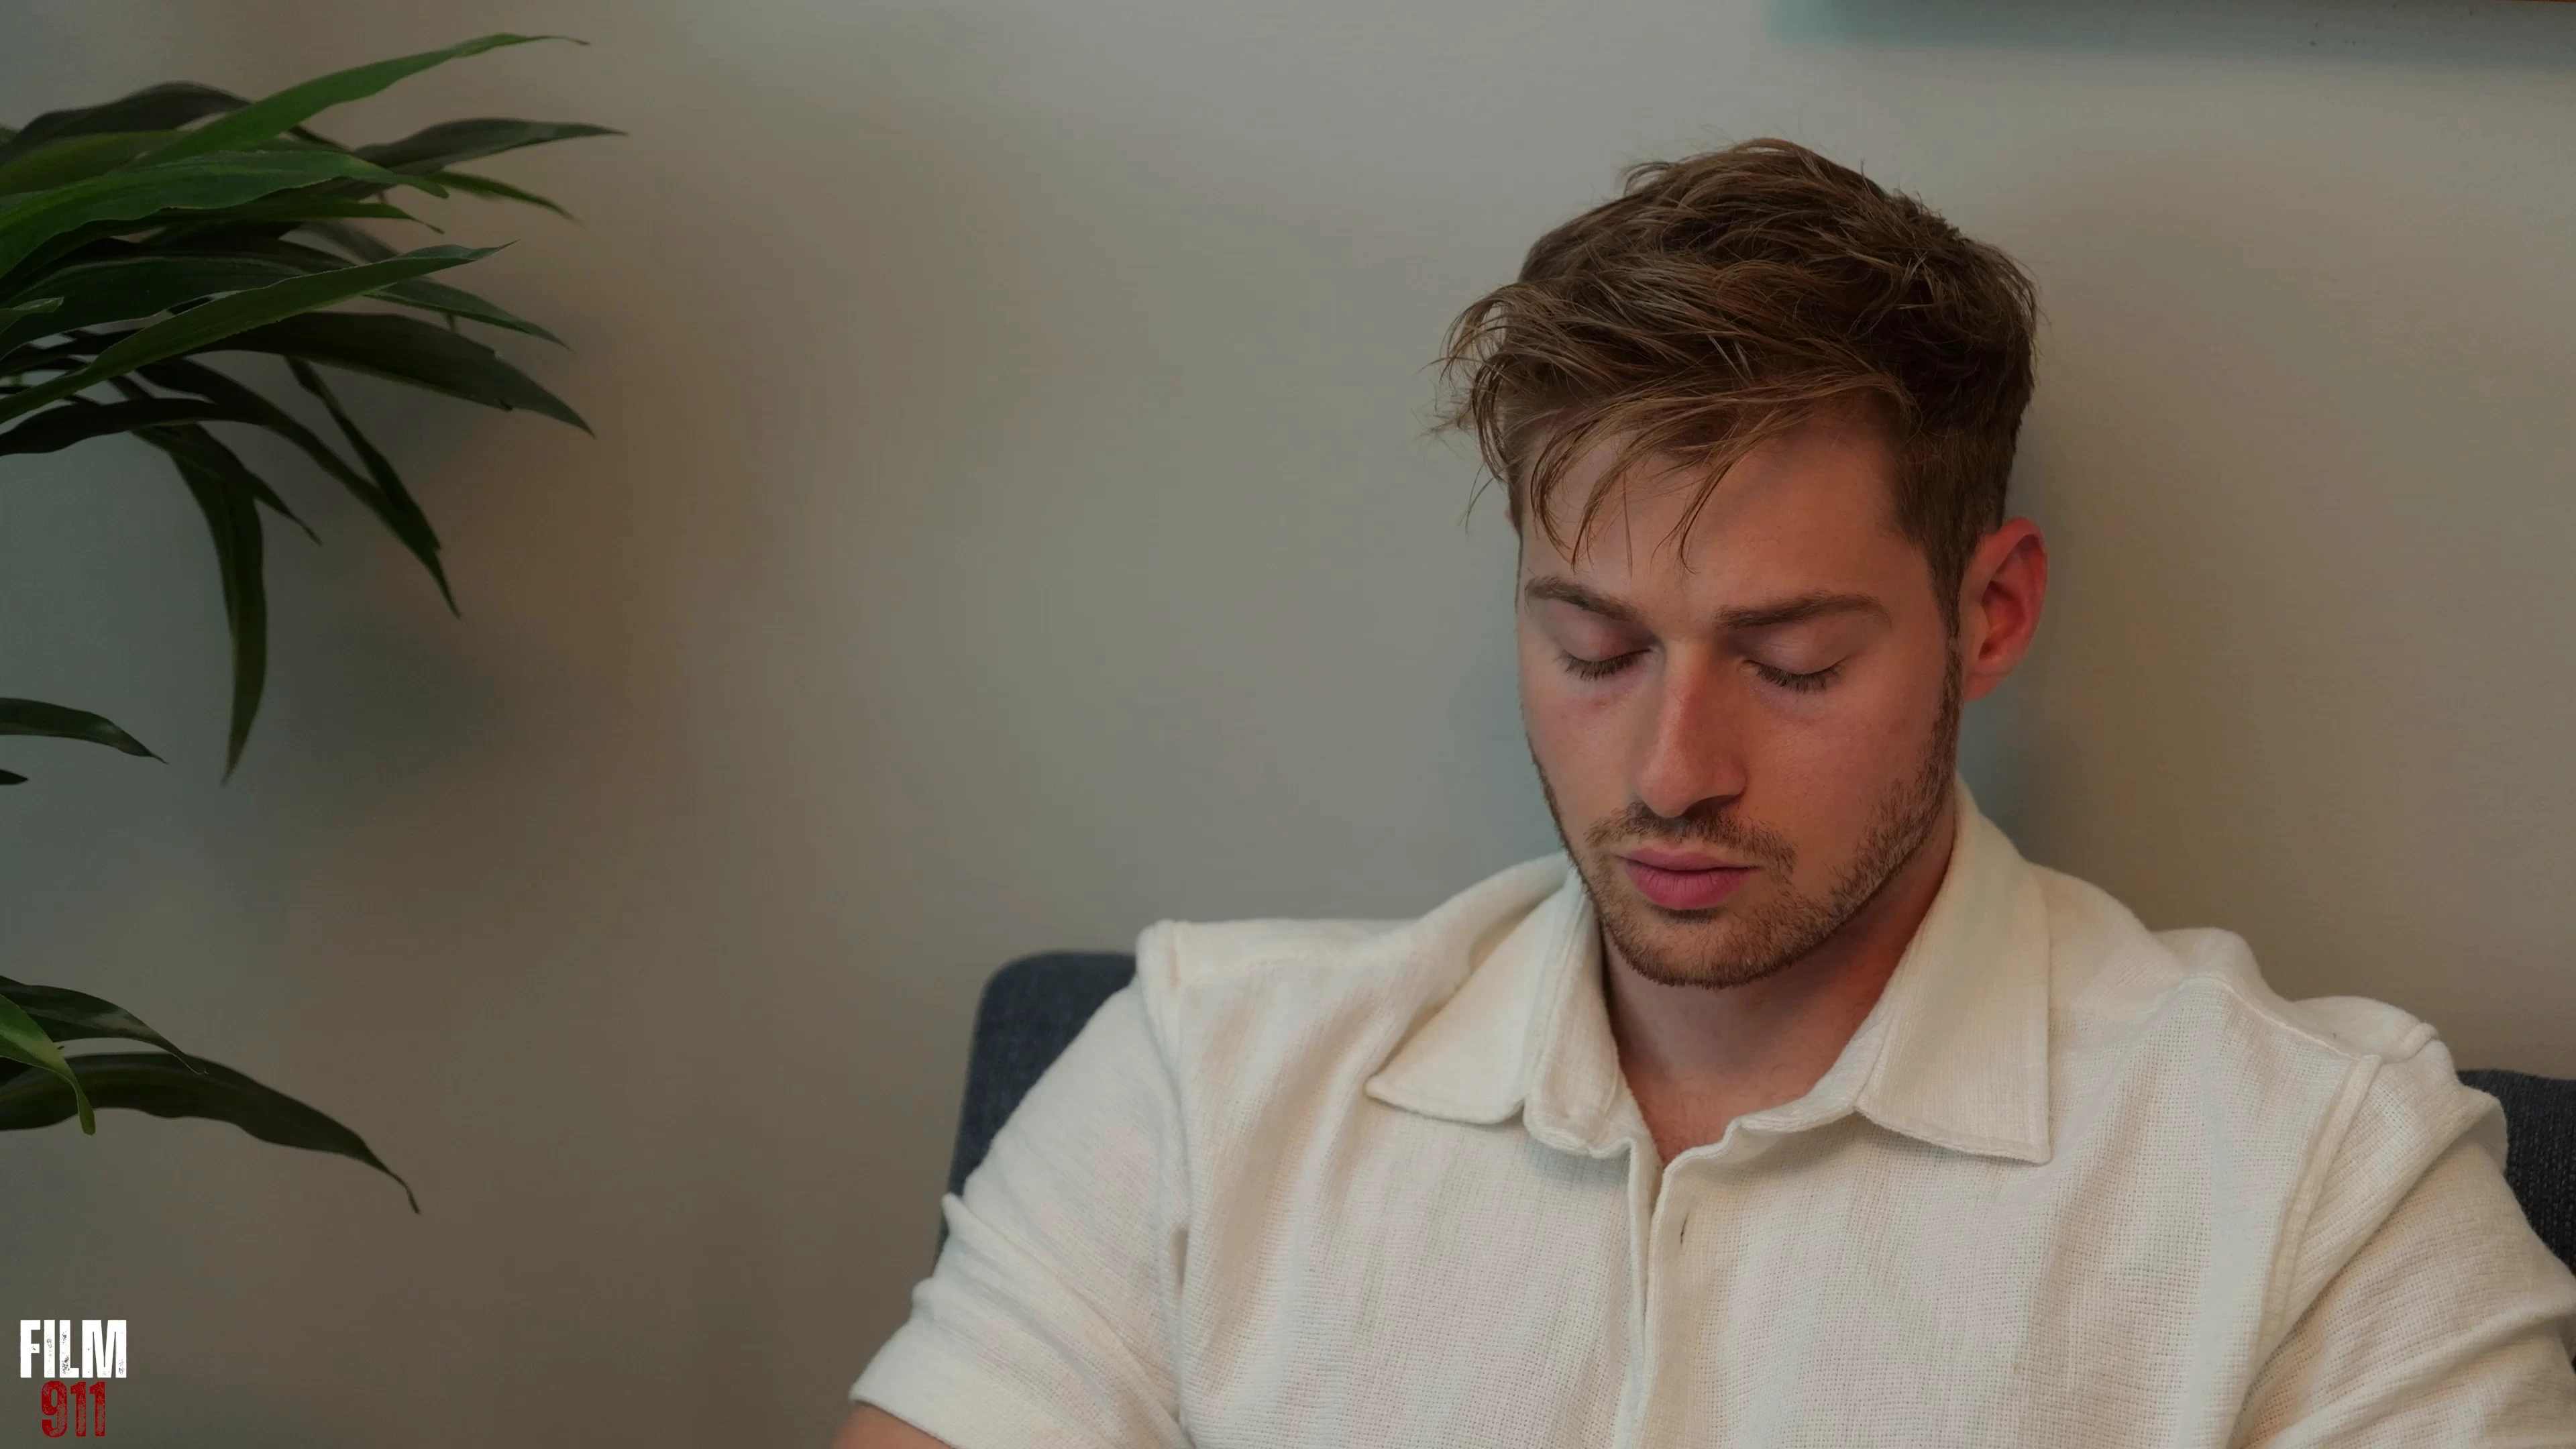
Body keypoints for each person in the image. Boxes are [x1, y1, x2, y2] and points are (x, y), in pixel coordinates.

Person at [835, 140, 2576, 1447]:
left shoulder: (2327, 1181)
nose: (1673, 774)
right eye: (1594, 649)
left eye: (1794, 662)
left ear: (1989, 615)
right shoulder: (1198, 1079)